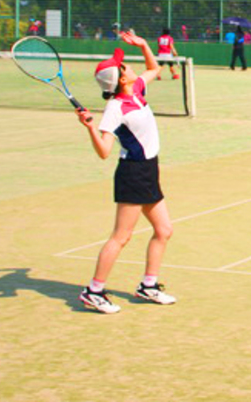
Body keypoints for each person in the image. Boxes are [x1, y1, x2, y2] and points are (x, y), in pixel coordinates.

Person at [75, 30, 176, 314]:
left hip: (149, 170)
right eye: (124, 66)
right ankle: (93, 291)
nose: (129, 66)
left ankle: (149, 286)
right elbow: (105, 150)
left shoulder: (138, 90)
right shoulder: (116, 108)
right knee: (121, 236)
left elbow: (154, 68)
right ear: (121, 78)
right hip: (132, 173)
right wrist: (92, 127)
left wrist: (143, 43)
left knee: (164, 230)